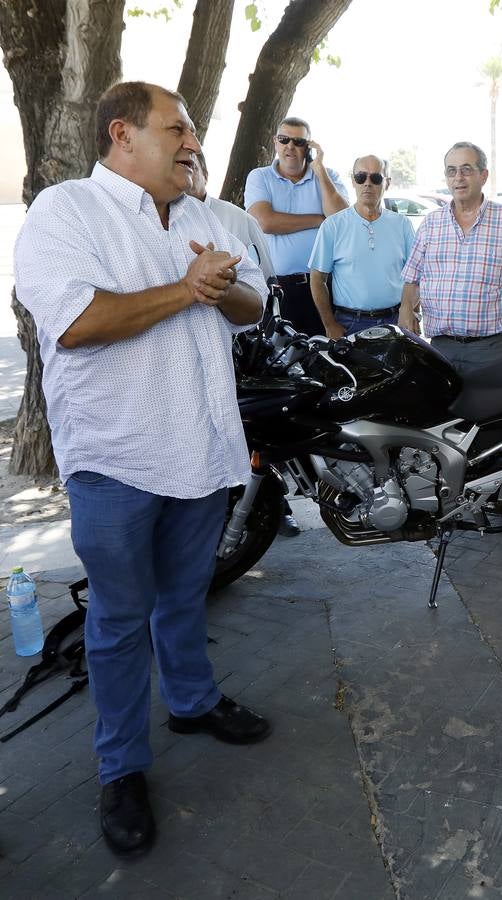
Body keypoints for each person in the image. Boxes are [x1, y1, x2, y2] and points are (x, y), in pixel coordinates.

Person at [13, 81, 271, 857]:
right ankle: (121, 768)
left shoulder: (202, 215)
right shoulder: (65, 212)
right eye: (178, 129)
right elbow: (79, 321)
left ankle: (191, 701)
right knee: (119, 622)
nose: (192, 143)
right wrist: (186, 288)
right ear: (122, 135)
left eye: (191, 131)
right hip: (118, 462)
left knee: (186, 596)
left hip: (203, 450)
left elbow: (254, 306)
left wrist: (221, 292)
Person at [398, 142, 502, 374]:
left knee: (494, 411)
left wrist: (489, 303)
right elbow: (412, 277)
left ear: (483, 175)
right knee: (441, 411)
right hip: (440, 349)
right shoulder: (431, 224)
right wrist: (405, 307)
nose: (458, 178)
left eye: (466, 169)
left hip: (492, 351)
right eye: (451, 171)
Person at [244, 116, 348, 335]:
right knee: (278, 361)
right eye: (284, 139)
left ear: (308, 148)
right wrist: (319, 220)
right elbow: (264, 221)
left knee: (323, 355)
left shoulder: (328, 177)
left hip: (321, 287)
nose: (290, 146)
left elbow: (340, 218)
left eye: (298, 142)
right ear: (275, 142)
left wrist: (319, 170)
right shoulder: (259, 177)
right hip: (275, 288)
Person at [308, 155, 416, 338]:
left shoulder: (402, 224)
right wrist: (330, 324)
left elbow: (415, 275)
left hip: (395, 321)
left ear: (387, 183)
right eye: (361, 177)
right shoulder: (333, 225)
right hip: (349, 324)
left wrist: (410, 310)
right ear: (353, 180)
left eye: (376, 178)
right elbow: (317, 279)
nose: (367, 183)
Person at [189, 151, 274, 281]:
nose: (184, 175)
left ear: (205, 175)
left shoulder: (240, 220)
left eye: (190, 166)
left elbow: (266, 280)